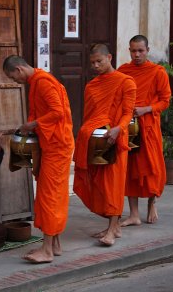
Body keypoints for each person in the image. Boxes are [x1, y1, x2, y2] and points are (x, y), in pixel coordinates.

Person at [3, 55, 74, 263]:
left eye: (13, 77)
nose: (14, 81)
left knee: (49, 195)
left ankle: (47, 250)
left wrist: (31, 125)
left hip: (57, 146)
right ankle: (55, 244)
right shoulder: (37, 81)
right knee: (52, 193)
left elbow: (57, 113)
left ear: (19, 69)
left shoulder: (42, 83)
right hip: (51, 143)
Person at [73, 44, 136, 246]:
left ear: (109, 57)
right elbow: (88, 116)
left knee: (113, 185)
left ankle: (111, 231)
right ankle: (114, 227)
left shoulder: (125, 82)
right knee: (99, 184)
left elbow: (128, 112)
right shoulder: (91, 86)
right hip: (95, 140)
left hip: (115, 139)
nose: (96, 66)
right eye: (92, 63)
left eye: (99, 61)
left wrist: (119, 128)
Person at [118, 35, 171, 225]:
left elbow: (165, 100)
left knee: (151, 167)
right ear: (129, 50)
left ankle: (151, 202)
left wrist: (147, 109)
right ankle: (133, 214)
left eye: (140, 50)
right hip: (128, 126)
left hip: (148, 126)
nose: (137, 54)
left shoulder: (158, 72)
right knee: (130, 168)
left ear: (147, 50)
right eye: (133, 51)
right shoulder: (124, 71)